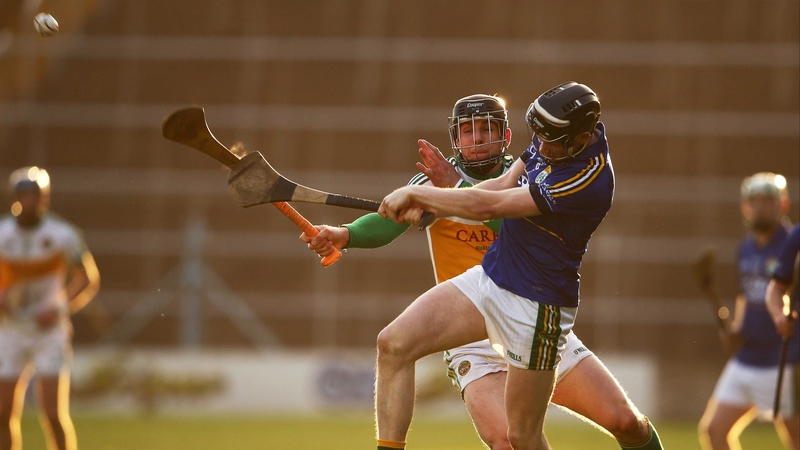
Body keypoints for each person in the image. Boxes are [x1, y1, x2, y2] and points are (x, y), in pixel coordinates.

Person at [303, 93, 663, 449]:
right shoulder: (548, 140)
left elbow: (491, 207)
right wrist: (346, 234)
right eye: (468, 130)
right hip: (487, 286)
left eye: (485, 129)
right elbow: (478, 195)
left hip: (534, 306)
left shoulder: (584, 180)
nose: (542, 146)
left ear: (580, 139)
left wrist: (439, 195)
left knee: (614, 425)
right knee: (393, 344)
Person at [0, 167, 100, 450]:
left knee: (53, 414)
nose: (27, 202)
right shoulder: (2, 233)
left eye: (33, 196)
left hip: (49, 331)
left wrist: (59, 309)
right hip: (10, 330)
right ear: (13, 198)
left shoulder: (62, 234)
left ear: (43, 199)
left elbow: (88, 278)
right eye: (22, 195)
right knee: (3, 413)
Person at [698, 173, 799, 450]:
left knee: (796, 438)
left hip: (784, 360)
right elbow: (745, 295)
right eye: (754, 201)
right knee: (714, 431)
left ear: (783, 204)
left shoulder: (793, 245)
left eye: (768, 200)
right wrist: (735, 329)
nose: (761, 207)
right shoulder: (745, 249)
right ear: (745, 207)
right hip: (746, 358)